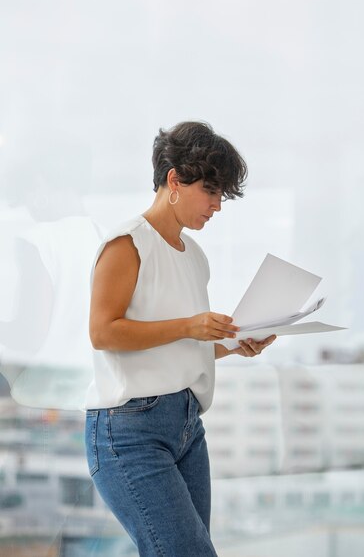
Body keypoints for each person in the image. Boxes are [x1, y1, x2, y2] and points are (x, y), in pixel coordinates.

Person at [84, 121, 277, 557]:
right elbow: (103, 332)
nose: (218, 206)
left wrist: (233, 344)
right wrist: (191, 325)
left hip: (187, 426)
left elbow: (182, 347)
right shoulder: (127, 244)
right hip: (129, 430)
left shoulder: (194, 257)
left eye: (222, 195)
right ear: (174, 180)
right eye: (211, 192)